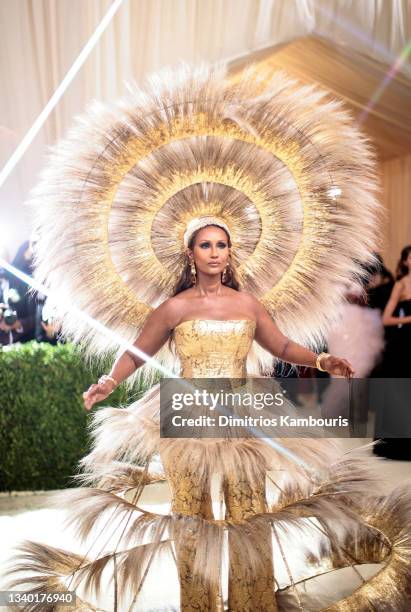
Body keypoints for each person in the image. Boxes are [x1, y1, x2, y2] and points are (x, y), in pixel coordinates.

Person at [7, 66, 411, 611]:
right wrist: (110, 379)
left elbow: (282, 346)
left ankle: (252, 604)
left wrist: (321, 357)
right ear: (190, 253)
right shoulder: (172, 307)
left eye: (222, 244)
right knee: (191, 516)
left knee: (249, 513)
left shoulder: (247, 303)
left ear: (231, 251)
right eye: (206, 245)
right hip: (186, 411)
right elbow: (139, 349)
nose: (216, 252)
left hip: (243, 410)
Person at [372, 245, 411, 460]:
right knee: (400, 390)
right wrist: (408, 319)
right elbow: (387, 319)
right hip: (404, 343)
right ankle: (399, 444)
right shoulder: (401, 285)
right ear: (406, 261)